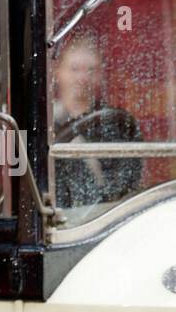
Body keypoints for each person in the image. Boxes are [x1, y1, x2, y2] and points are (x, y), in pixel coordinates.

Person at [51, 33, 143, 208]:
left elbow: (126, 186)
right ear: (58, 72)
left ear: (101, 74)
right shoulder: (43, 126)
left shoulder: (121, 125)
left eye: (91, 70)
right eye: (74, 69)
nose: (82, 78)